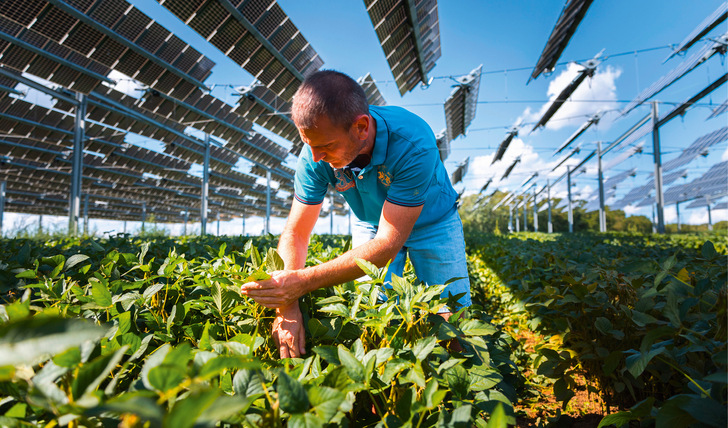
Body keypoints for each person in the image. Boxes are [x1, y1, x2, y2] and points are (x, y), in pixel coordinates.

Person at [240, 70, 471, 358]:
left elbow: (388, 244)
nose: (316, 158)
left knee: (452, 317)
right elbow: (296, 233)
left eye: (325, 147)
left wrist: (302, 283)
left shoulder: (412, 142)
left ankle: (460, 384)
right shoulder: (315, 153)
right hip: (371, 222)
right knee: (369, 311)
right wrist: (286, 306)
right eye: (309, 145)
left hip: (433, 222)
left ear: (362, 127)